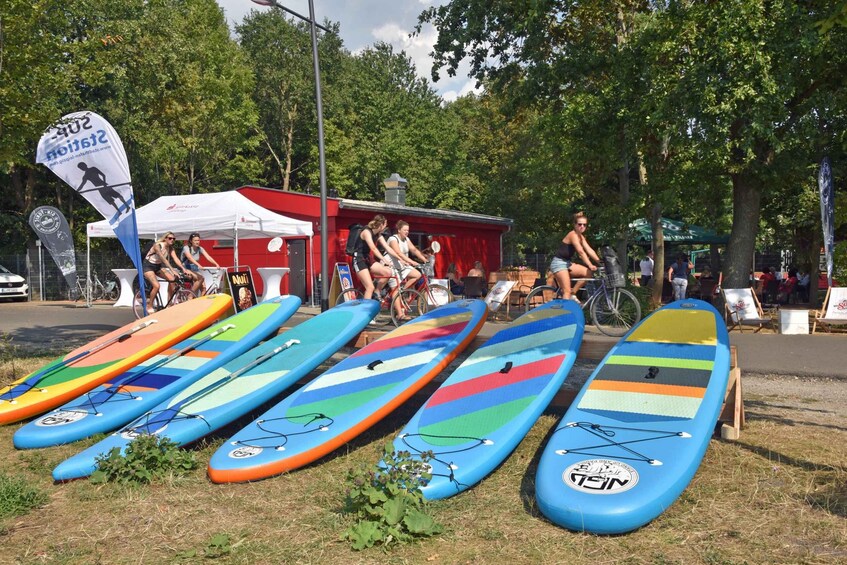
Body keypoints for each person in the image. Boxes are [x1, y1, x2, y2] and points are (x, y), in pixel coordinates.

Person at [549, 211, 601, 302]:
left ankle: (573, 293)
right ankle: (564, 314)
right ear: (575, 225)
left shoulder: (581, 236)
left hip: (567, 264)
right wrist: (590, 264)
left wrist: (600, 261)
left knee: (588, 273)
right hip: (559, 263)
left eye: (584, 225)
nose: (582, 227)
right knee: (566, 291)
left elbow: (589, 250)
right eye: (580, 224)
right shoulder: (572, 235)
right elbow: (581, 252)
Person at [142, 232, 189, 314]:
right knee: (156, 286)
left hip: (157, 266)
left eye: (174, 239)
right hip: (148, 266)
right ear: (165, 238)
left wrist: (183, 268)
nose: (172, 240)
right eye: (170, 238)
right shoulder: (158, 245)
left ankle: (169, 303)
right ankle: (149, 305)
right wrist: (173, 270)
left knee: (172, 280)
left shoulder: (170, 248)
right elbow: (163, 259)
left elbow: (176, 259)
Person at [385, 220, 428, 291]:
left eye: (408, 230)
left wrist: (425, 260)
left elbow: (414, 250)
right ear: (399, 230)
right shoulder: (393, 239)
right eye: (404, 230)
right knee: (394, 288)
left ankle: (403, 291)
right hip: (391, 265)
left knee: (417, 275)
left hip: (402, 266)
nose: (407, 232)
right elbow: (399, 253)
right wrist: (412, 262)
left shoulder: (406, 239)